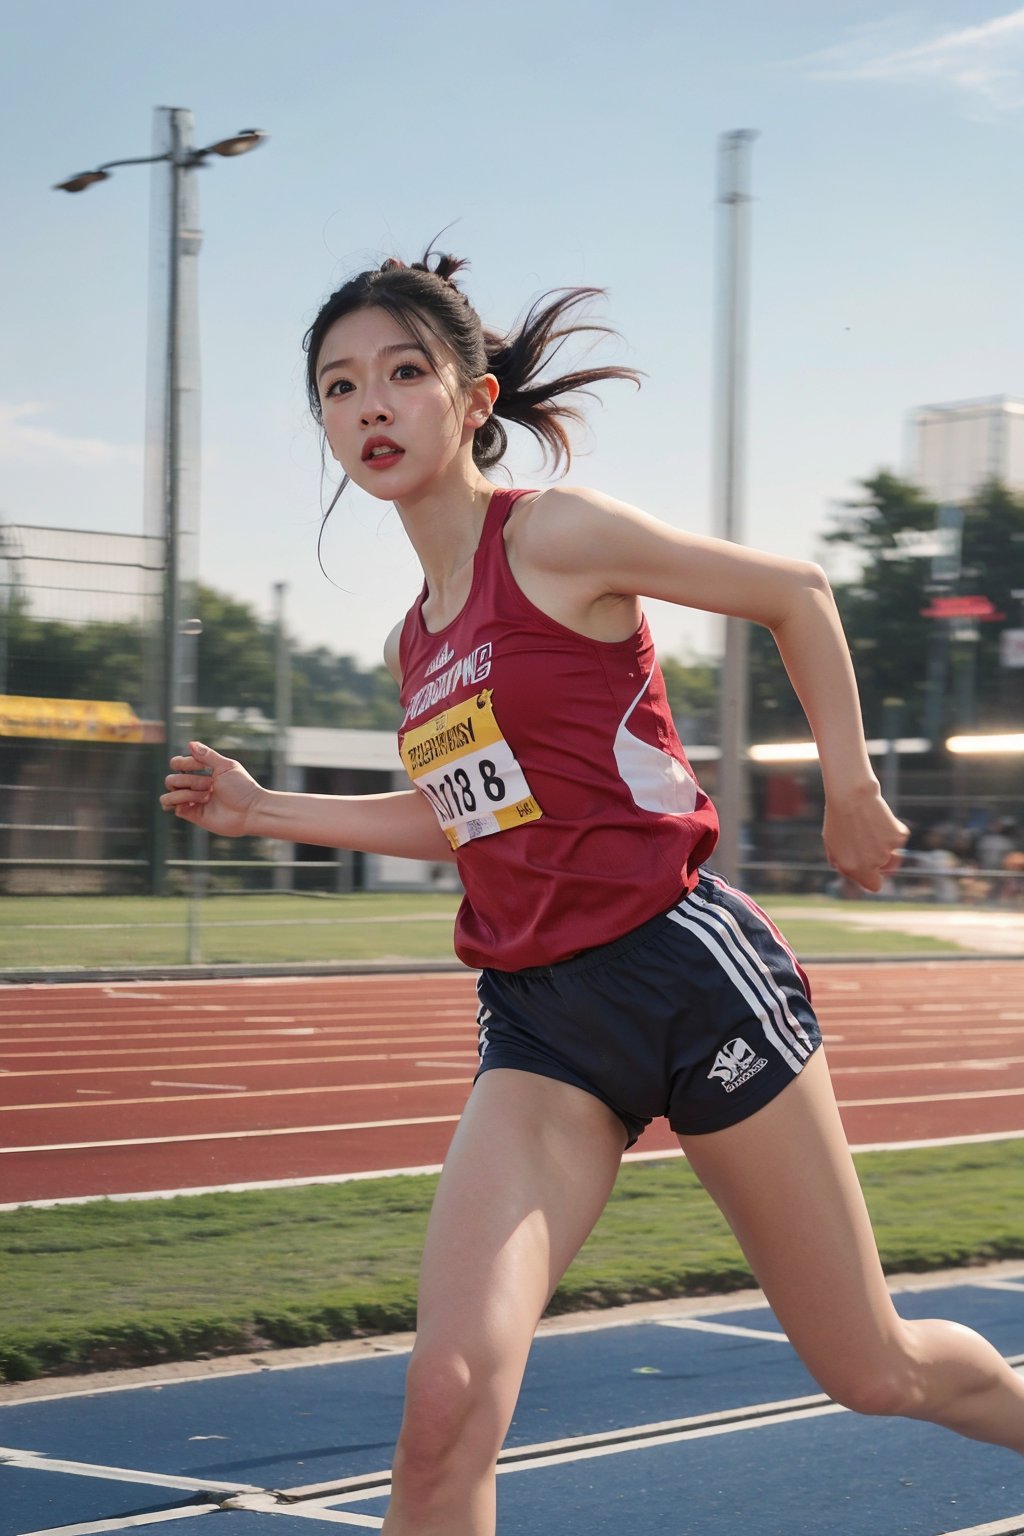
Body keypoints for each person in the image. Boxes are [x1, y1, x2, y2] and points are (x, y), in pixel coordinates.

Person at [161, 249, 1024, 1533]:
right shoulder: (417, 638)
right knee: (444, 1403)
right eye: (339, 389)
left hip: (688, 977)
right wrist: (263, 810)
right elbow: (477, 823)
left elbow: (793, 590)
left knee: (869, 1370)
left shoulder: (552, 535)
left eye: (405, 374)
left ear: (474, 398)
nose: (371, 407)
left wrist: (849, 786)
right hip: (543, 1024)